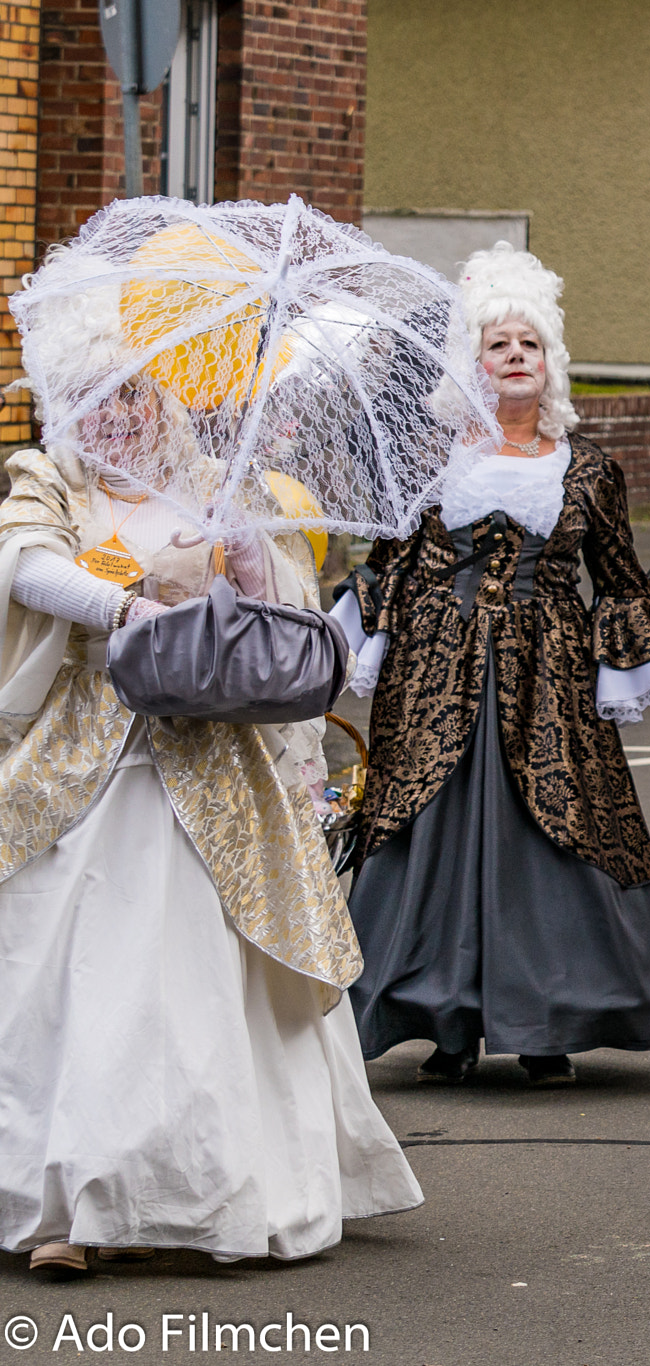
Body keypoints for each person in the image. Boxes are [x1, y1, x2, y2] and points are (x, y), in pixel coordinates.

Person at [0, 263, 421, 1275]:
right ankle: (62, 1208)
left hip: (210, 771)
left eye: (134, 395)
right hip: (80, 766)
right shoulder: (45, 480)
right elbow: (23, 567)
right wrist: (130, 609)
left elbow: (284, 636)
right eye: (94, 400)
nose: (115, 419)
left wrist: (247, 562)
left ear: (163, 400)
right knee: (62, 976)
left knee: (192, 984)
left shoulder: (223, 490)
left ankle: (205, 1192)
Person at [339, 244, 650, 1088]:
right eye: (498, 344)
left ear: (551, 363)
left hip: (550, 684)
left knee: (550, 840)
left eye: (530, 344)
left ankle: (546, 1026)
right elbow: (385, 573)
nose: (516, 355)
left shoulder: (586, 471)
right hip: (436, 678)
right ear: (471, 364)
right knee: (431, 840)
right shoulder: (432, 465)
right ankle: (445, 1024)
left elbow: (621, 585)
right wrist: (314, 659)